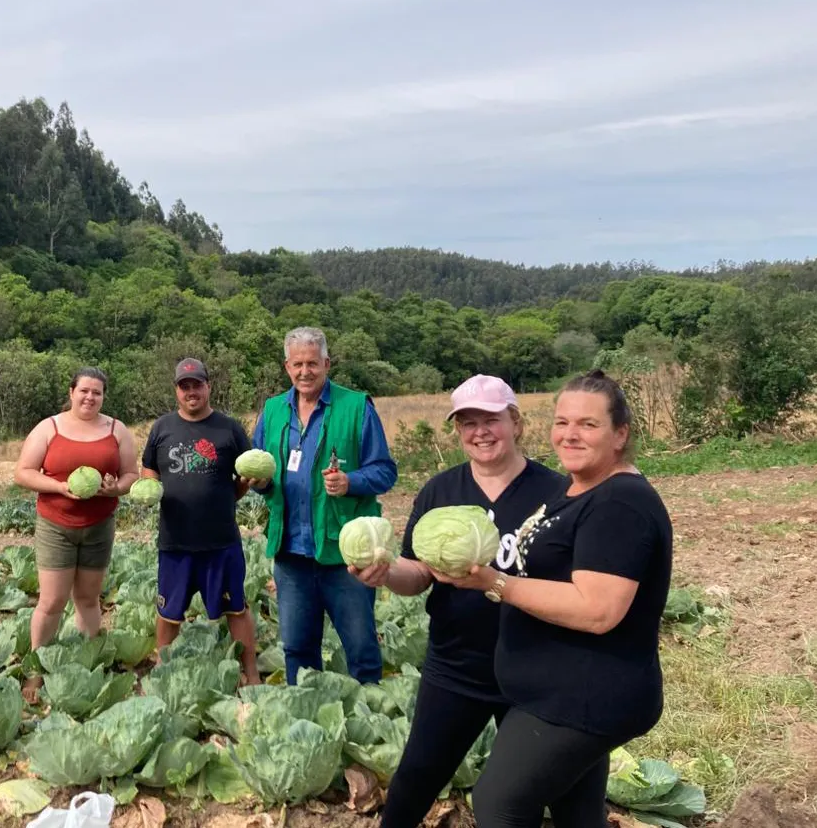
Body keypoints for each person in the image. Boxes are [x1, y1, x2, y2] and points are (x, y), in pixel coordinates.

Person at [433, 370, 673, 828]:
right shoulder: (581, 487)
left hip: (583, 698)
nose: (570, 434)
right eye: (562, 422)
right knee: (576, 812)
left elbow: (597, 609)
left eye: (588, 424)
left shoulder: (620, 504)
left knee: (499, 803)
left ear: (620, 434)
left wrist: (495, 582)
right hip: (560, 690)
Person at [350, 374, 564, 828]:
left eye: (491, 419)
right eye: (467, 422)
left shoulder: (555, 493)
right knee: (416, 778)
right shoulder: (440, 491)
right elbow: (418, 573)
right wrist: (387, 573)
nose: (480, 432)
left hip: (534, 671)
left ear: (516, 422)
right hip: (456, 664)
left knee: (527, 794)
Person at [247, 326, 398, 685]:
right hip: (291, 552)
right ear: (287, 367)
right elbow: (261, 469)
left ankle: (370, 714)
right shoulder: (272, 411)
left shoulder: (356, 406)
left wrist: (351, 482)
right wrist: (261, 484)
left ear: (327, 363)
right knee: (297, 648)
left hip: (344, 553)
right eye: (297, 364)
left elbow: (385, 472)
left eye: (312, 363)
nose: (305, 372)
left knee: (360, 647)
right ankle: (306, 713)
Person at [140, 358, 261, 684]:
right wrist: (149, 487)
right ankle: (162, 670)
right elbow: (149, 466)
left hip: (220, 540)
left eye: (197, 384)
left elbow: (244, 473)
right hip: (175, 541)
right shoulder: (162, 428)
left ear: (208, 386)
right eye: (185, 386)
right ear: (177, 390)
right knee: (168, 613)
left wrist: (242, 486)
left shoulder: (229, 428)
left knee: (236, 608)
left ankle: (250, 671)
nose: (191, 391)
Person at [14, 367, 139, 649]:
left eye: (97, 392)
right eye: (84, 391)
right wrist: (59, 487)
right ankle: (37, 665)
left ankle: (88, 657)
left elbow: (132, 474)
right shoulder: (49, 428)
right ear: (71, 393)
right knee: (51, 601)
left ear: (104, 396)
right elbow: (23, 472)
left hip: (99, 526)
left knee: (88, 598)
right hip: (55, 526)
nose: (90, 397)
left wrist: (116, 488)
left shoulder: (116, 430)